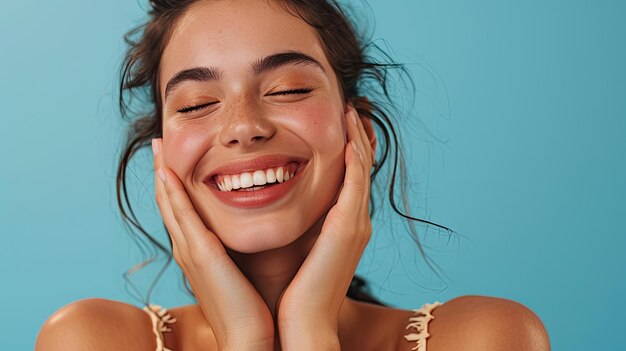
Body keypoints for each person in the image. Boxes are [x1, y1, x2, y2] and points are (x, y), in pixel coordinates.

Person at [36, 0, 550, 350]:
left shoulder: (483, 337)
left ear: (361, 131)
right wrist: (244, 337)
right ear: (162, 152)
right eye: (197, 103)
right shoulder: (91, 339)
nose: (243, 127)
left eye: (287, 90)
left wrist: (309, 333)